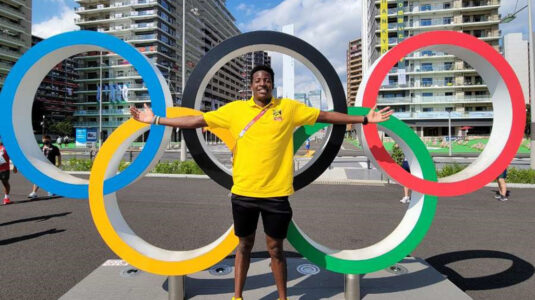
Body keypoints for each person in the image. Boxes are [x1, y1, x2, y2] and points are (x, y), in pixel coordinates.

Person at [130, 65, 393, 300]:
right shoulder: (235, 110)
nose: (262, 83)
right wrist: (155, 120)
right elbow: (197, 120)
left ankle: (282, 297)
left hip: (276, 195)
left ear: (272, 83)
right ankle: (237, 296)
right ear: (251, 85)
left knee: (276, 248)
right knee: (243, 245)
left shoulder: (288, 108)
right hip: (243, 193)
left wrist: (365, 119)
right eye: (257, 79)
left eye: (266, 79)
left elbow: (325, 116)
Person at [0, 138, 17, 205]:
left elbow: (14, 157)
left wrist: (15, 167)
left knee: (5, 183)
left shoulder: (7, 148)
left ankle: (6, 198)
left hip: (4, 169)